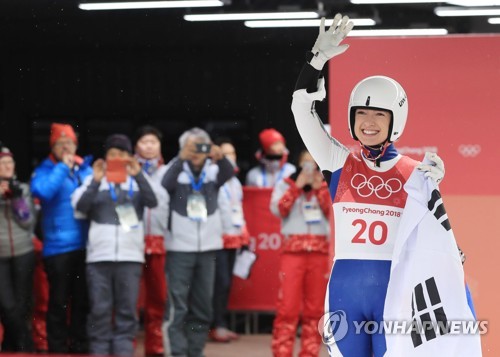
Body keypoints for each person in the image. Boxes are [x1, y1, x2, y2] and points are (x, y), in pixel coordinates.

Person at [291, 15, 445, 356]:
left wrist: (436, 196)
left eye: (380, 115)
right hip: (344, 295)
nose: (369, 123)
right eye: (361, 113)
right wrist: (315, 61)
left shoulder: (417, 173)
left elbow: (439, 241)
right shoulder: (338, 162)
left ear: (396, 121)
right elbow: (301, 110)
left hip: (395, 294)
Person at [72, 134, 158, 357]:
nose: (117, 158)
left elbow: (153, 202)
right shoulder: (93, 179)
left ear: (130, 157)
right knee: (99, 310)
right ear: (105, 157)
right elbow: (80, 206)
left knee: (127, 310)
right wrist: (96, 180)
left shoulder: (138, 181)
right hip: (99, 256)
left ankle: (123, 352)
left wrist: (138, 175)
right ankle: (99, 352)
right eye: (112, 154)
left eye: (122, 154)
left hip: (130, 257)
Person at [161, 127, 234, 357]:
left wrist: (220, 158)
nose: (196, 152)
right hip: (180, 247)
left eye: (201, 147)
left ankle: (195, 351)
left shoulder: (213, 172)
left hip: (208, 247)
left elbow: (229, 173)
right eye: (191, 146)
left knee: (203, 307)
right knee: (178, 306)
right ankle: (177, 353)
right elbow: (165, 183)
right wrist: (180, 158)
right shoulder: (175, 169)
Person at [30, 122, 93, 353]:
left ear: (76, 145)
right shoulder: (45, 170)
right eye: (60, 143)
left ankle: (79, 344)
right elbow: (42, 192)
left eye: (69, 143)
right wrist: (62, 168)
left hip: (85, 245)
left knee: (81, 300)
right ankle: (56, 347)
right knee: (58, 302)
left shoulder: (85, 169)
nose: (66, 147)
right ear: (52, 147)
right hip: (58, 247)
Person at [269, 150, 331, 357]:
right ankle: (282, 353)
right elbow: (279, 210)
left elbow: (333, 214)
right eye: (305, 164)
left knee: (315, 310)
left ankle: (309, 353)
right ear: (299, 165)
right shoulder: (286, 184)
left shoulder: (328, 185)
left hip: (319, 253)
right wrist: (296, 189)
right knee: (287, 308)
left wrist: (319, 190)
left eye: (314, 165)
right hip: (292, 253)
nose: (309, 169)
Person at [134, 125, 170, 356]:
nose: (148, 146)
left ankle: (155, 348)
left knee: (158, 298)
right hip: (132, 243)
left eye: (153, 142)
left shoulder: (169, 171)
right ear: (136, 146)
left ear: (159, 146)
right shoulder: (126, 171)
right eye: (144, 142)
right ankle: (124, 348)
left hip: (160, 241)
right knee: (129, 300)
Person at [210, 138, 249, 343]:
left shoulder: (235, 182)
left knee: (227, 284)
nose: (230, 158)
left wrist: (244, 233)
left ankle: (220, 324)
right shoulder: (212, 179)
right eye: (225, 154)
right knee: (219, 282)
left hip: (235, 237)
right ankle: (215, 325)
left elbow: (238, 209)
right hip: (217, 238)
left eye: (232, 153)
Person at [0, 143, 36, 352]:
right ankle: (25, 342)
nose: (6, 166)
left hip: (23, 251)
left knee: (22, 304)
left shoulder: (22, 188)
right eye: (2, 163)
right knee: (6, 304)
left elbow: (28, 221)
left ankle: (15, 345)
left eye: (9, 162)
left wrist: (15, 199)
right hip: (1, 253)